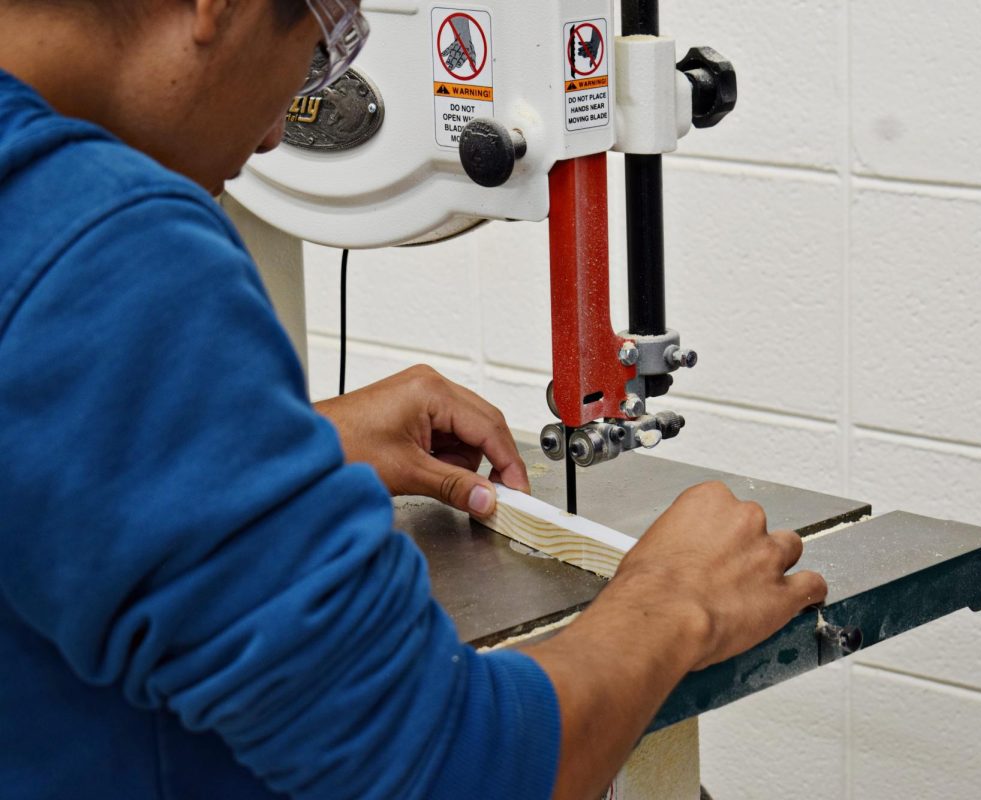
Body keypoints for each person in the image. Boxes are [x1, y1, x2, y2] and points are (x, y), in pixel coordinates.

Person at [0, 0, 828, 797]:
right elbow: (445, 771)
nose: (273, 133)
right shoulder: (114, 247)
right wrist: (674, 599)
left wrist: (286, 446)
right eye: (321, 51)